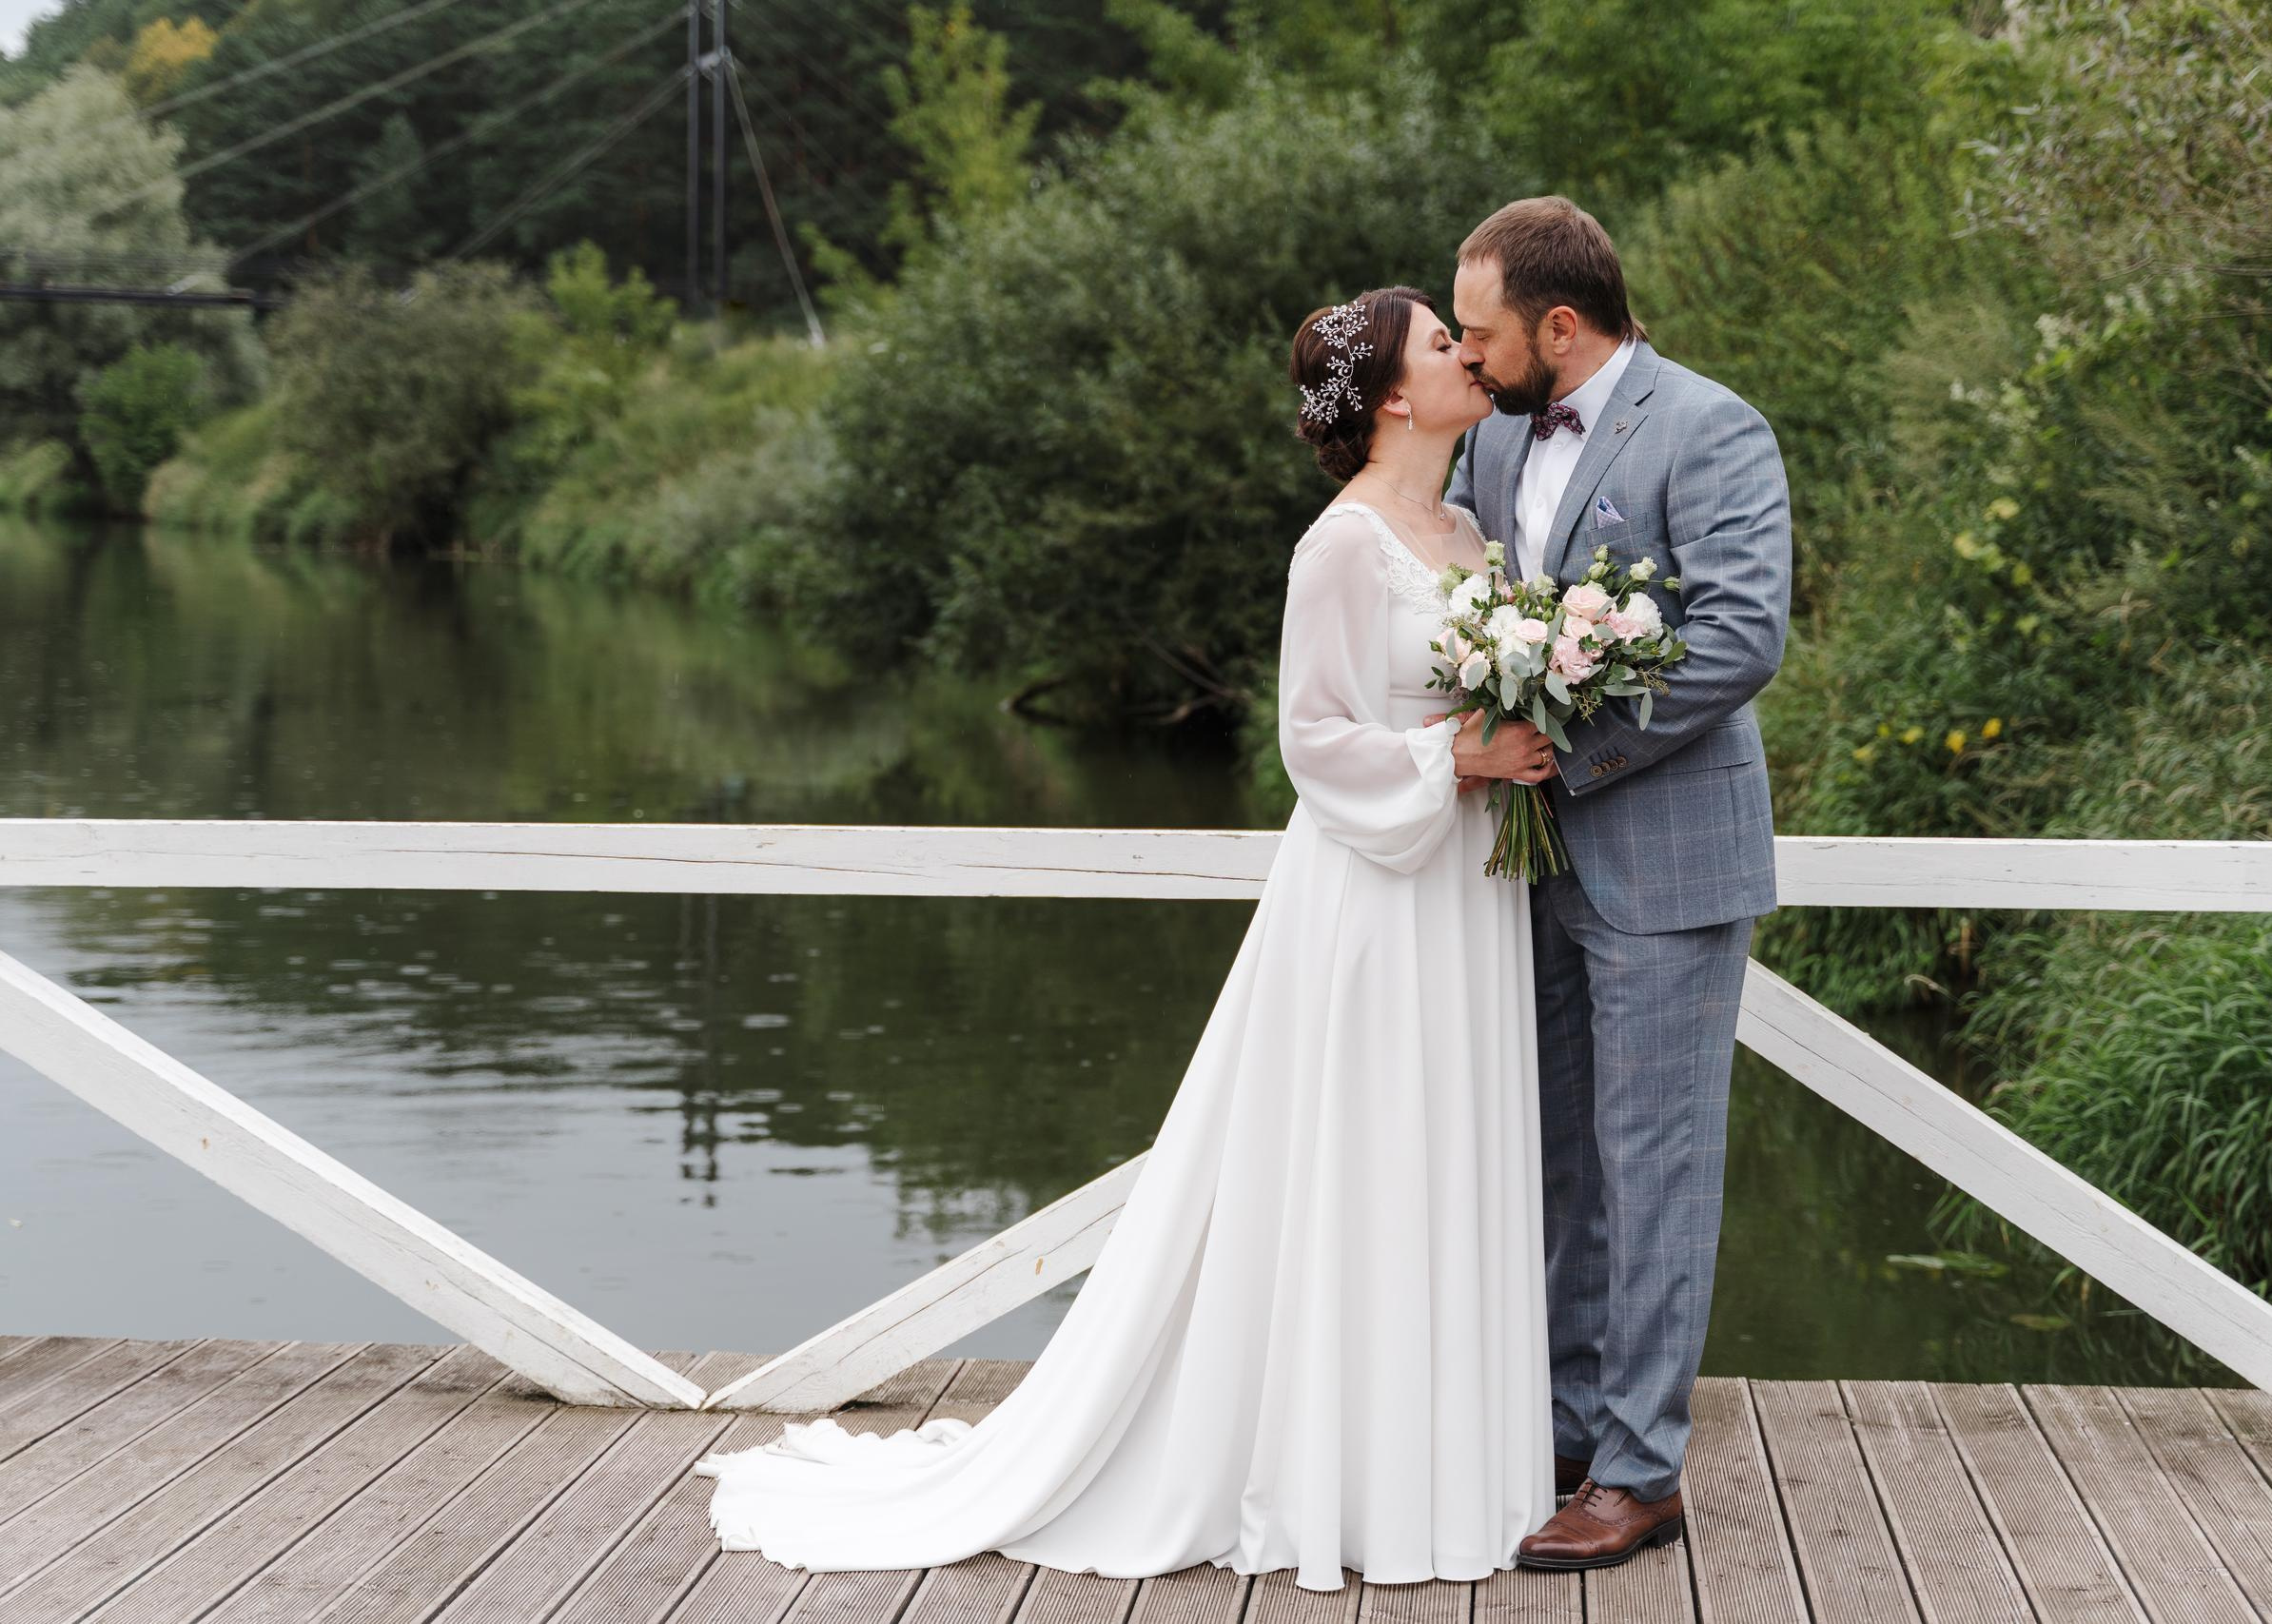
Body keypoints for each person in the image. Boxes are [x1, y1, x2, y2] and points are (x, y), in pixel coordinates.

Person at [693, 284, 1567, 1592]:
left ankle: (1450, 1469)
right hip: (1377, 901)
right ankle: (1346, 1480)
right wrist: (1462, 750)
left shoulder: (1467, 530)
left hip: (1469, 895)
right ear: (1392, 394)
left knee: (1448, 1147)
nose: (1468, 355)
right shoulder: (1340, 547)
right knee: (1365, 1155)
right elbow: (1312, 743)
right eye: (1445, 346)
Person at [1443, 195, 1792, 1571]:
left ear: (1561, 324)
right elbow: (1471, 614)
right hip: (1525, 869)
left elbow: (1740, 637)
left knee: (1655, 1169)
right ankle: (1571, 1429)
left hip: (1665, 857)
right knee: (1559, 1160)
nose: (1467, 361)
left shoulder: (1713, 427)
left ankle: (1642, 1473)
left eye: (1481, 336)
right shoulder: (1492, 438)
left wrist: (1565, 750)